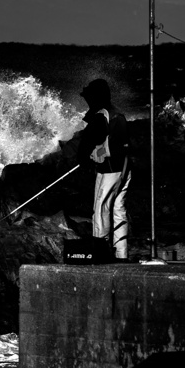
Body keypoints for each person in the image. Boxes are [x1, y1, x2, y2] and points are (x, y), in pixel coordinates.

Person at [77, 79, 131, 261]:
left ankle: (100, 253)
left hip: (109, 171)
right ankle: (121, 253)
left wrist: (86, 157)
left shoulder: (101, 116)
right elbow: (121, 143)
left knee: (101, 209)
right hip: (125, 169)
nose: (87, 101)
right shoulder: (117, 113)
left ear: (96, 97)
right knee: (119, 210)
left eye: (89, 97)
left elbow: (88, 145)